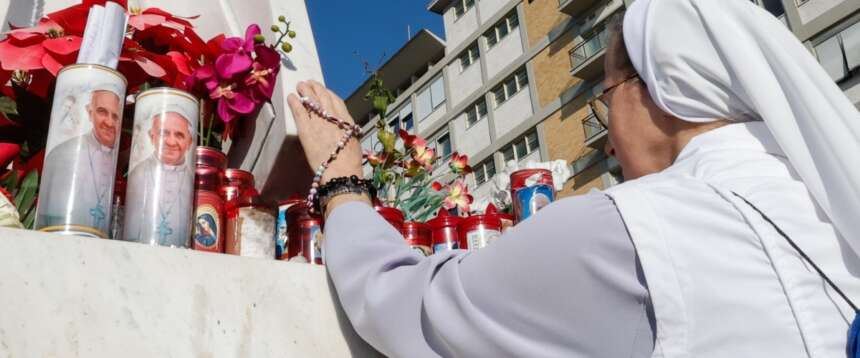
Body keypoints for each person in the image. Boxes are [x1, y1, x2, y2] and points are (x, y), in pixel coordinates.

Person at [287, 0, 860, 356]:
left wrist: (342, 183)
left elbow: (409, 308)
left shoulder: (629, 232)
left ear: (659, 87)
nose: (608, 139)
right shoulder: (825, 208)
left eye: (604, 98)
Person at [38, 88, 122, 236]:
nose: (109, 122)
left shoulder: (121, 163)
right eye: (102, 112)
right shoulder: (61, 154)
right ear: (90, 113)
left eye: (115, 116)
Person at [124, 108, 195, 247]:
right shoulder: (138, 174)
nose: (171, 142)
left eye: (179, 135)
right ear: (152, 136)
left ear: (189, 142)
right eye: (164, 133)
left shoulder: (191, 180)